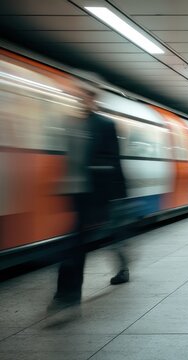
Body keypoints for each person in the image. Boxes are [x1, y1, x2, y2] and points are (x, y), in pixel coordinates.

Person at [49, 87, 128, 311]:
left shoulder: (105, 125)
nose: (80, 99)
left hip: (99, 193)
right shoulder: (71, 123)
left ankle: (68, 294)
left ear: (93, 98)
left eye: (84, 95)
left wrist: (120, 195)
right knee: (79, 241)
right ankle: (67, 293)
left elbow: (114, 161)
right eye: (78, 95)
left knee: (81, 241)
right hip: (78, 193)